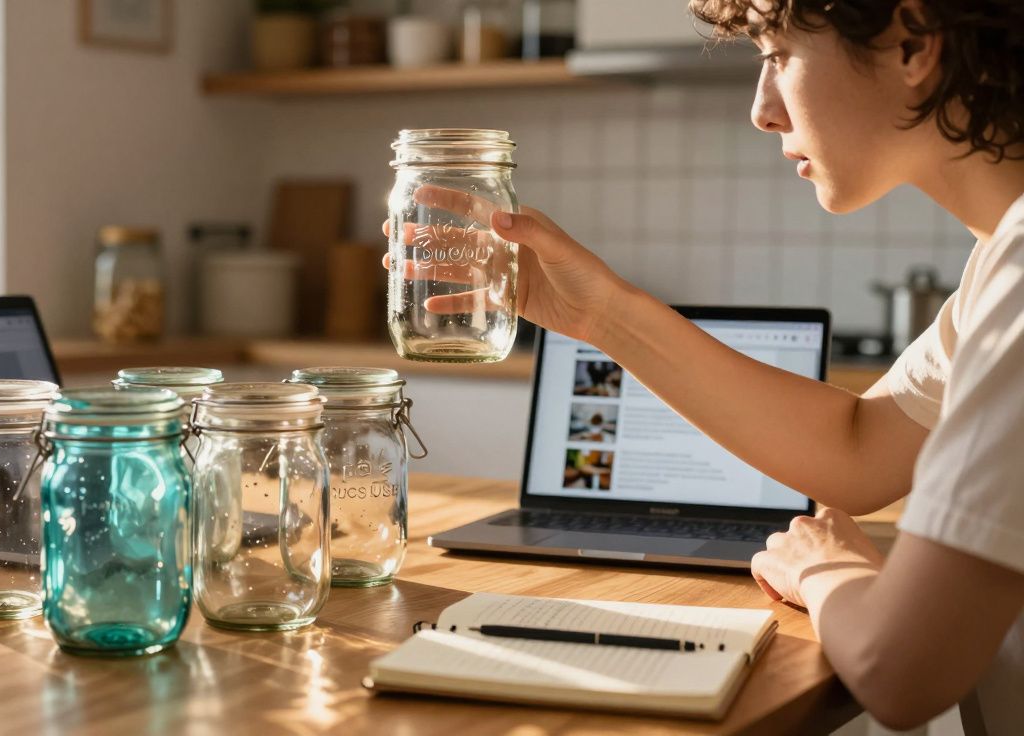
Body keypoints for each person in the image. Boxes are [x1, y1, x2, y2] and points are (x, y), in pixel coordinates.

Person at [387, 1, 1024, 732]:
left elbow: (900, 669)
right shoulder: (1000, 260)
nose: (763, 110)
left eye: (777, 54)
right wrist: (599, 315)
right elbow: (859, 448)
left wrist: (824, 567)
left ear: (912, 42)